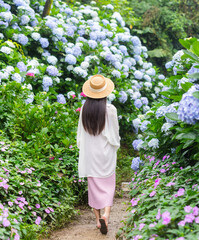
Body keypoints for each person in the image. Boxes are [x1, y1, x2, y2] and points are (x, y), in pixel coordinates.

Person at [76, 74, 120, 234]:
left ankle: (97, 220)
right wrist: (116, 145)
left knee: (93, 187)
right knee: (108, 185)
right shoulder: (110, 109)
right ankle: (107, 214)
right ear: (105, 92)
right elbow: (114, 135)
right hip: (105, 153)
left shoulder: (84, 110)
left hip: (90, 154)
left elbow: (80, 134)